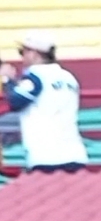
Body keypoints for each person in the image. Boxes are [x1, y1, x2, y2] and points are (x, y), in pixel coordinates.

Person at [0, 32, 88, 173]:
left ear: (34, 54)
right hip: (75, 153)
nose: (21, 57)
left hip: (45, 155)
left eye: (22, 52)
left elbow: (15, 102)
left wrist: (7, 79)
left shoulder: (35, 76)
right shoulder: (69, 77)